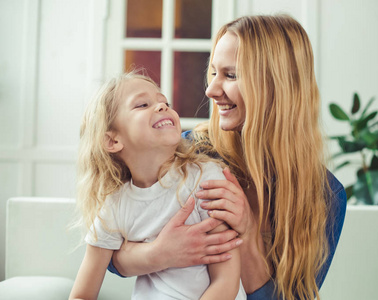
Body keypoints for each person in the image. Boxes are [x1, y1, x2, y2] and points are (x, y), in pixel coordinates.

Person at [108, 14, 347, 300]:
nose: (211, 90)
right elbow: (110, 252)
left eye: (230, 75)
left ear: (275, 86)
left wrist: (247, 234)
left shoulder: (325, 195)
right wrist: (160, 253)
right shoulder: (190, 151)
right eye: (213, 73)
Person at [69, 72, 246, 300]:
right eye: (143, 104)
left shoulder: (206, 178)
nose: (162, 107)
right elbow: (81, 294)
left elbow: (226, 283)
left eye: (165, 102)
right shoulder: (114, 206)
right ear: (112, 141)